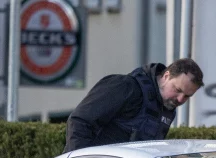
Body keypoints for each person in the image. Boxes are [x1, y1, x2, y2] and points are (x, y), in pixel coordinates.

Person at [64, 58, 204, 152]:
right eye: (178, 90)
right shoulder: (126, 86)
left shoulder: (167, 109)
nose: (180, 99)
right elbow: (80, 121)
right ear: (166, 76)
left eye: (187, 96)